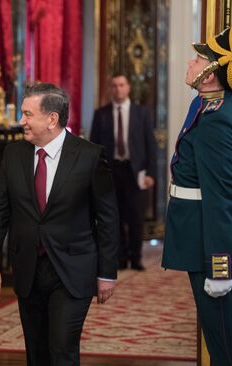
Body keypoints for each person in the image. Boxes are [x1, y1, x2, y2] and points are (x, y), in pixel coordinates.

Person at [0, 83, 119, 365]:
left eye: (27, 114)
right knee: (37, 352)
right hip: (29, 270)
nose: (21, 121)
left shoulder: (90, 155)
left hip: (72, 271)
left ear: (52, 119)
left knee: (62, 349)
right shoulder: (13, 154)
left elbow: (107, 218)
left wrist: (107, 272)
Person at [163, 28, 232, 365]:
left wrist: (220, 269)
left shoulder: (217, 118)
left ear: (212, 73)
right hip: (195, 231)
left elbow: (220, 197)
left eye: (199, 59)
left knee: (223, 342)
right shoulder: (203, 105)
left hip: (209, 242)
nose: (191, 62)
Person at [90, 74, 157, 271]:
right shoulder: (100, 114)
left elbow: (150, 145)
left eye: (121, 85)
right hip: (111, 171)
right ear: (111, 89)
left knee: (136, 216)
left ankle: (136, 257)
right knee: (114, 216)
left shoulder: (142, 113)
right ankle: (120, 257)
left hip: (135, 171)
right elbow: (94, 146)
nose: (118, 89)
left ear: (128, 88)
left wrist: (151, 173)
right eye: (114, 86)